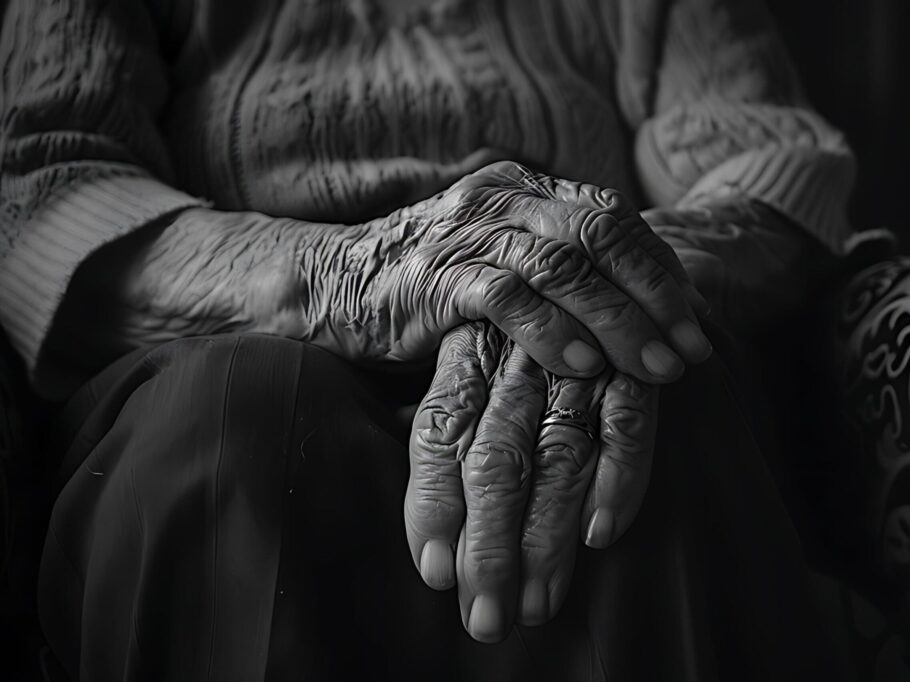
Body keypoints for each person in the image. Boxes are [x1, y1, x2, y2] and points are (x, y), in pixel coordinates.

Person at [0, 0, 855, 678]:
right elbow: (44, 195)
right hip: (234, 333)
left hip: (564, 333)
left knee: (649, 390)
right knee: (238, 421)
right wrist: (358, 274)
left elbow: (773, 172)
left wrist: (565, 289)